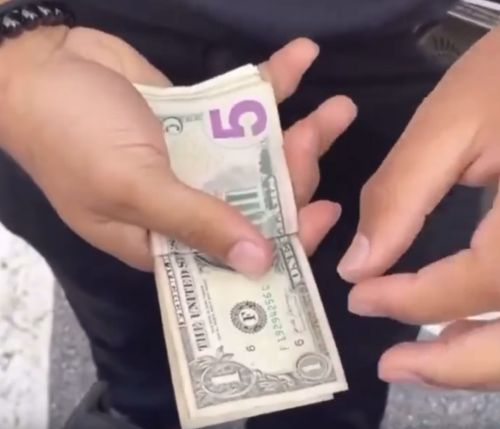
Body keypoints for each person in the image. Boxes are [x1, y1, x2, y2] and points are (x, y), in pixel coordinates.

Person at [0, 1, 490, 429]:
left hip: (415, 71)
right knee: (127, 329)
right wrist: (17, 46)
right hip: (78, 46)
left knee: (347, 352)